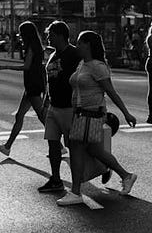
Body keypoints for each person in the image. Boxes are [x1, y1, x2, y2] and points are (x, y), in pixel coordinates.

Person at [56, 31, 138, 206]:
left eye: (79, 43)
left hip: (91, 114)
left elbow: (111, 92)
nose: (76, 46)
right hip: (80, 114)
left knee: (76, 148)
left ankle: (76, 192)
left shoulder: (97, 66)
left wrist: (126, 113)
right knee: (96, 151)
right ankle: (127, 176)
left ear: (88, 45)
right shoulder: (82, 64)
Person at [36, 21, 81, 193]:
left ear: (60, 35)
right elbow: (50, 80)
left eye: (51, 35)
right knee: (53, 144)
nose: (48, 37)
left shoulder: (74, 54)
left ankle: (101, 165)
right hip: (54, 107)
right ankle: (56, 179)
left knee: (75, 146)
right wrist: (46, 102)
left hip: (70, 108)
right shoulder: (53, 55)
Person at [0, 21, 47, 159]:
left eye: (21, 33)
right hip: (32, 85)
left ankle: (60, 145)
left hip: (32, 85)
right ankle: (7, 147)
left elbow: (27, 66)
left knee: (42, 116)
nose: (20, 35)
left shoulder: (32, 47)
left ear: (26, 34)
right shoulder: (37, 46)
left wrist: (6, 67)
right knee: (20, 116)